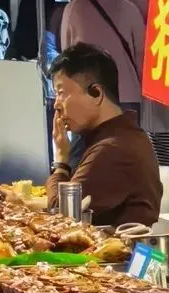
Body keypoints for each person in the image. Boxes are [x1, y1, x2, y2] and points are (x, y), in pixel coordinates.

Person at [47, 43, 162, 228]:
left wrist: (61, 162)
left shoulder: (113, 149)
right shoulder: (117, 137)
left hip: (121, 247)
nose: (56, 105)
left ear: (96, 93)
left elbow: (60, 214)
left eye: (61, 93)